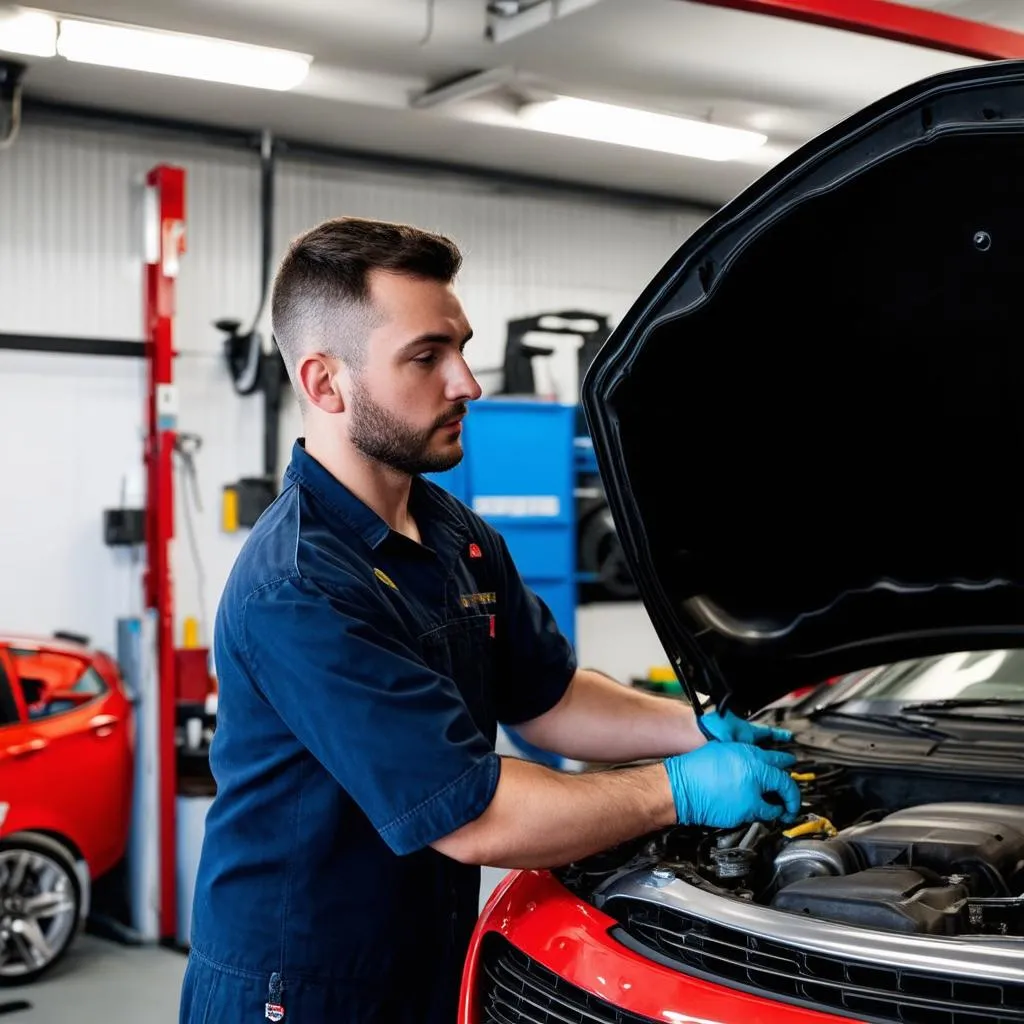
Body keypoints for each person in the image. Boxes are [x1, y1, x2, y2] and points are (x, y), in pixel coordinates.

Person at [178, 217, 801, 1024]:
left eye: (461, 348)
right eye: (426, 357)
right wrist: (677, 791)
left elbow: (552, 699)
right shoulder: (299, 586)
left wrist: (697, 732)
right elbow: (476, 815)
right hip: (297, 990)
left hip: (427, 960)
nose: (467, 382)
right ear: (326, 384)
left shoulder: (456, 535)